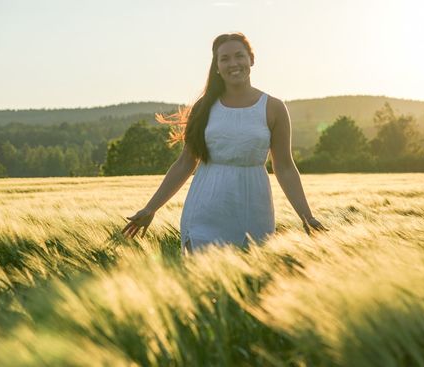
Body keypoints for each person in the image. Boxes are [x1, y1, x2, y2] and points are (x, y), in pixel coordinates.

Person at [122, 32, 326, 253]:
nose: (233, 63)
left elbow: (285, 167)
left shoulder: (273, 107)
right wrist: (151, 208)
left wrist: (307, 216)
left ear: (251, 60)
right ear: (217, 66)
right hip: (205, 211)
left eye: (239, 56)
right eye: (225, 59)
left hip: (254, 211)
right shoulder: (204, 107)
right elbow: (185, 163)